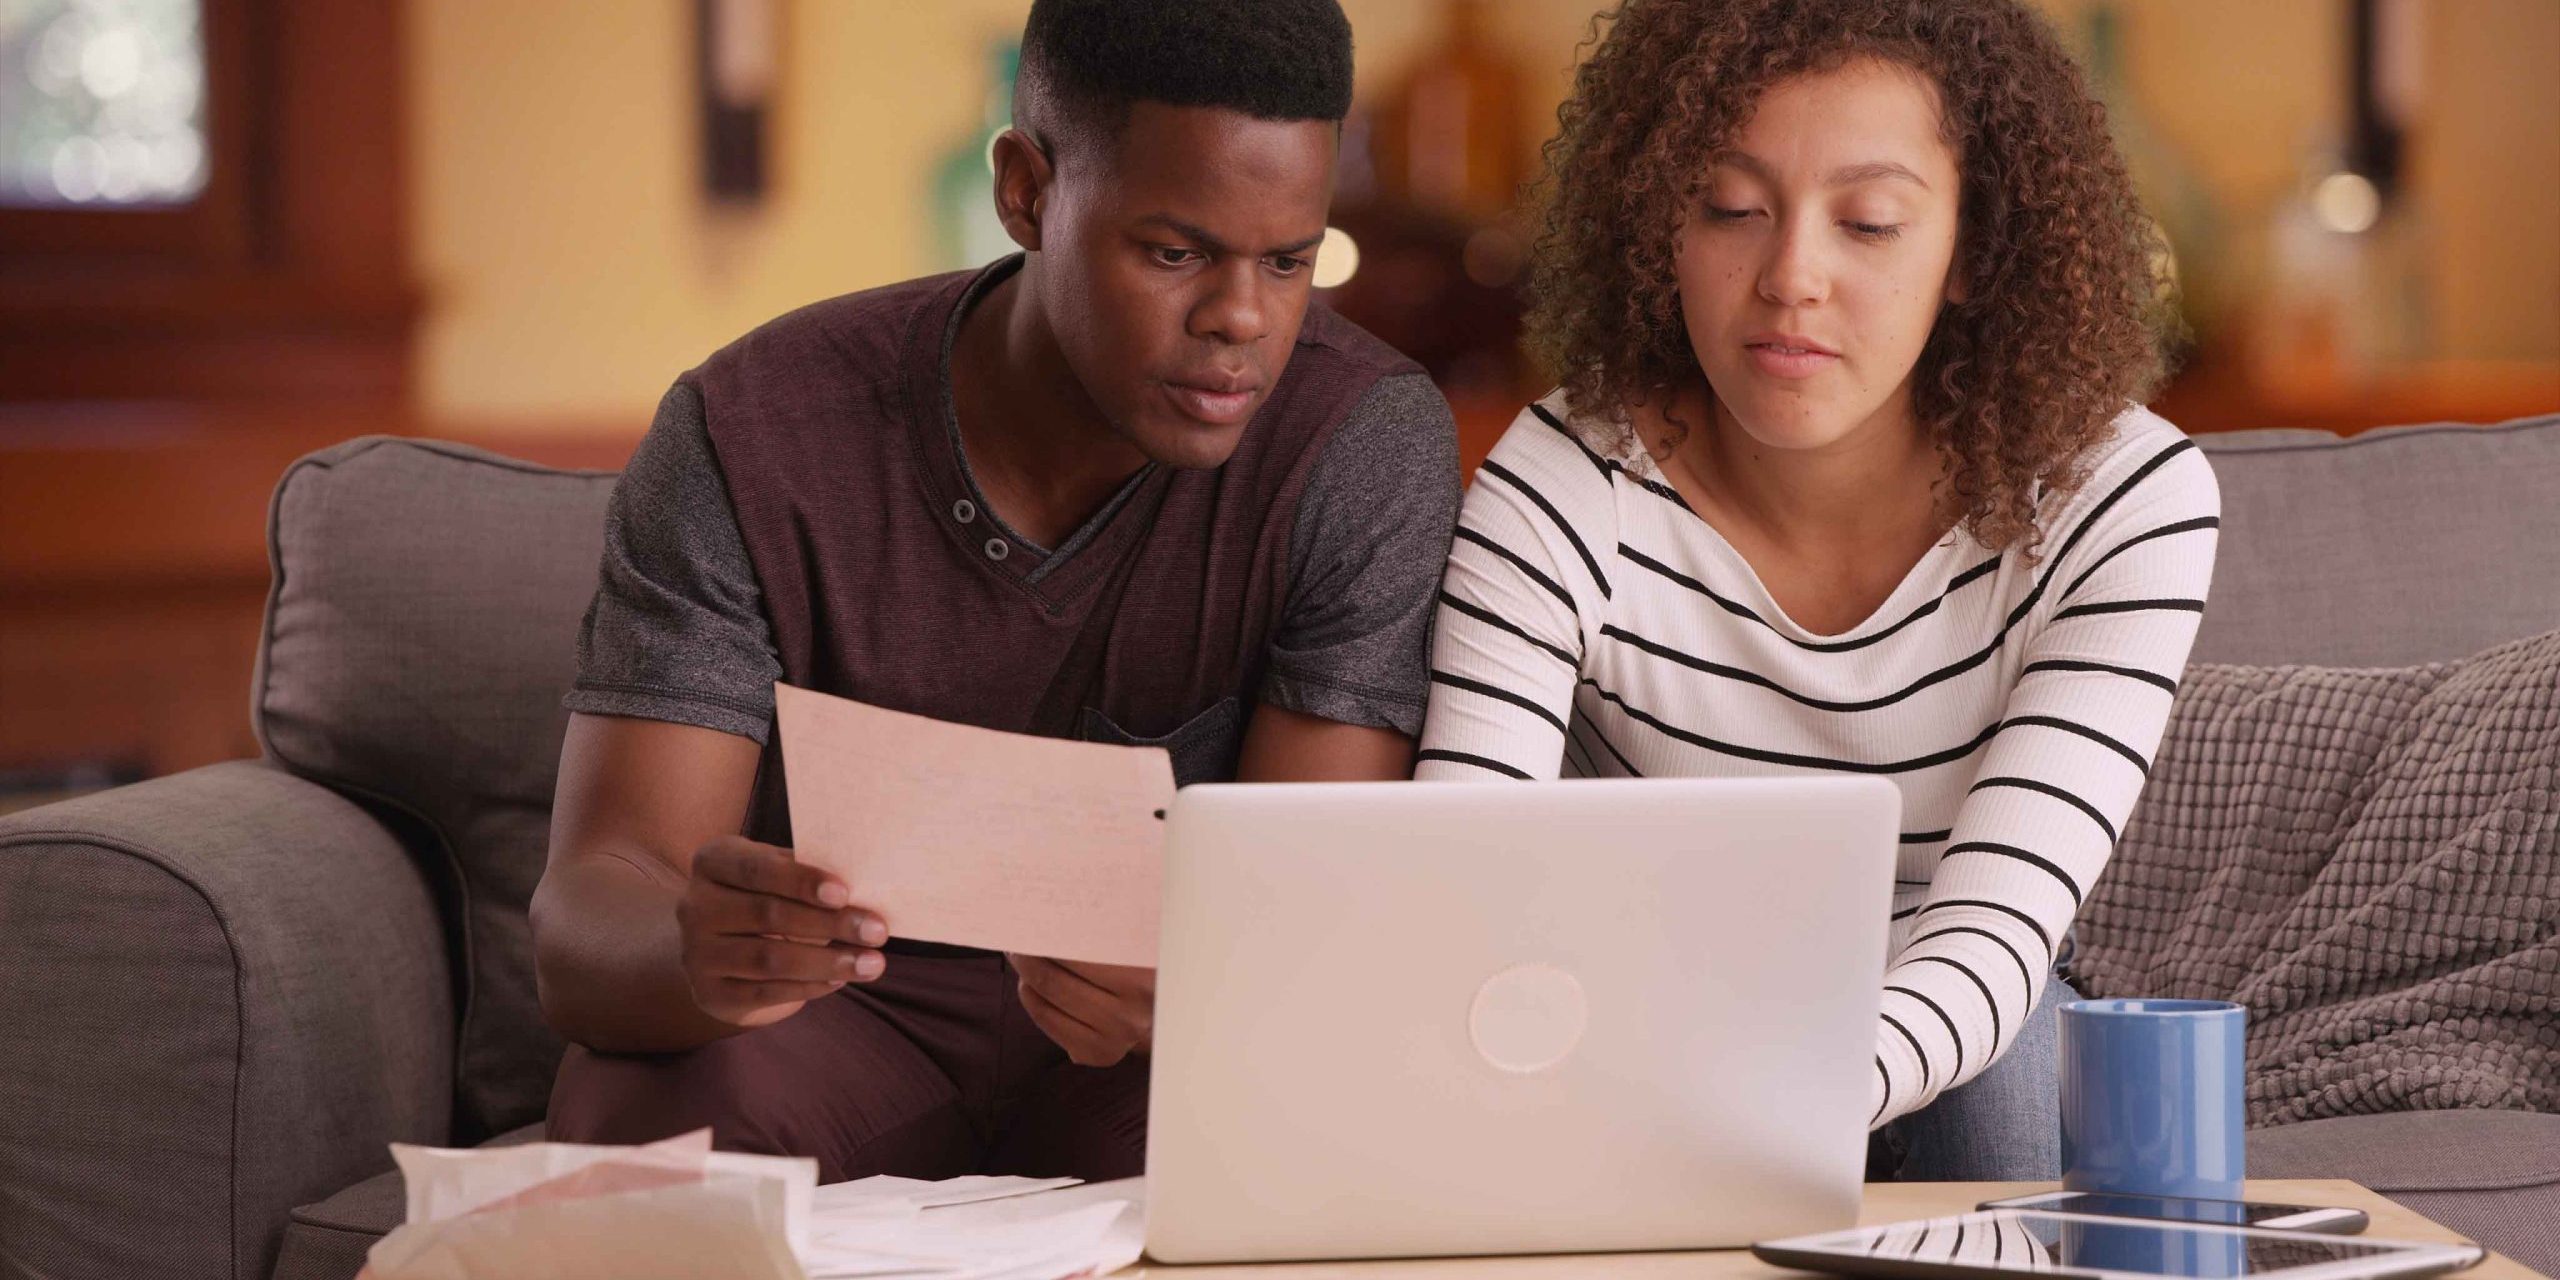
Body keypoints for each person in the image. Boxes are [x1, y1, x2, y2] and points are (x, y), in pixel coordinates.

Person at [532, 0, 1459, 1184]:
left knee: (1306, 1134)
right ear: (1026, 192)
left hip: (1147, 1067)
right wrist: (695, 949)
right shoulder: (753, 430)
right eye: (1174, 252)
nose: (1243, 320)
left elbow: (1314, 924)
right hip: (836, 1027)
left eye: (1288, 261)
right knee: (631, 1107)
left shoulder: (1354, 442)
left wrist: (1209, 984)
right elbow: (586, 921)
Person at [1414, 0, 2219, 1182]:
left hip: (1954, 1026)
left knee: (2004, 1067)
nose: (1790, 277)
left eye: (1871, 222)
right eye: (1730, 208)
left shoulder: (2123, 496)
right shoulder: (1565, 479)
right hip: (1632, 1020)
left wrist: (1773, 1095)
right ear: (1658, 224)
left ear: (1972, 249)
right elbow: (1458, 881)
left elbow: (1992, 943)